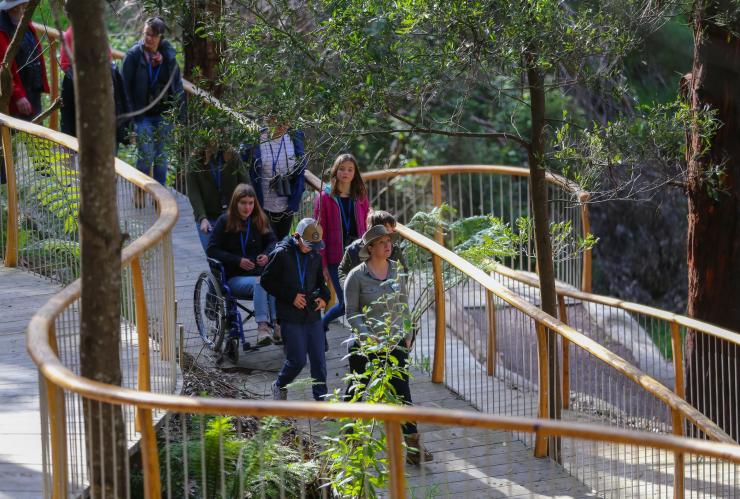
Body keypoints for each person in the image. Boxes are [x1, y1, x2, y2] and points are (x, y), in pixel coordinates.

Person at [343, 225, 432, 465]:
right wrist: (366, 334)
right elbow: (350, 313)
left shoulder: (396, 270)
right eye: (381, 242)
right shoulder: (356, 276)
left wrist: (408, 332)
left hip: (395, 344)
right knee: (356, 391)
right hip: (365, 345)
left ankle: (414, 451)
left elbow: (403, 305)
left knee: (403, 395)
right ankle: (350, 443)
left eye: (388, 241)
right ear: (370, 248)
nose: (387, 245)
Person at [261, 218, 330, 401]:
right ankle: (279, 384)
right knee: (298, 360)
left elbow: (321, 285)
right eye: (307, 244)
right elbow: (266, 281)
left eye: (314, 245)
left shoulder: (315, 255)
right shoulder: (281, 254)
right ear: (296, 236)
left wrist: (324, 298)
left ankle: (321, 400)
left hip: (313, 315)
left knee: (319, 361)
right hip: (290, 316)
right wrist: (291, 296)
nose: (310, 249)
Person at [206, 184, 278, 346]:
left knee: (275, 279)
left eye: (251, 203)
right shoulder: (224, 221)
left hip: (259, 272)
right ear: (235, 203)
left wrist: (266, 255)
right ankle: (262, 327)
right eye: (243, 203)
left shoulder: (259, 219)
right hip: (235, 277)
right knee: (263, 282)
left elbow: (273, 242)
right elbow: (212, 250)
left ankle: (277, 323)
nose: (247, 207)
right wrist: (237, 260)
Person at [122, 16, 185, 186]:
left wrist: (180, 115)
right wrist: (130, 116)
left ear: (160, 37)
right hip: (142, 116)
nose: (148, 38)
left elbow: (177, 85)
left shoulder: (169, 57)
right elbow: (124, 87)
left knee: (161, 158)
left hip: (163, 115)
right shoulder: (133, 55)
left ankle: (160, 195)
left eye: (152, 35)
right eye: (146, 34)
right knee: (146, 155)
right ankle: (141, 190)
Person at [314, 153, 370, 335]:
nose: (345, 172)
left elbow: (368, 219)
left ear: (355, 173)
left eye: (350, 169)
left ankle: (358, 337)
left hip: (359, 254)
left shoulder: (360, 196)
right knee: (346, 302)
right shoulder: (325, 197)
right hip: (335, 258)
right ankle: (323, 324)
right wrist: (322, 263)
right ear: (335, 170)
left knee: (361, 299)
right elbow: (318, 231)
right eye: (342, 168)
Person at [59, 29, 131, 148]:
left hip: (108, 130)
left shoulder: (112, 71)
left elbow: (121, 101)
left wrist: (125, 130)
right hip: (83, 132)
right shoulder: (72, 76)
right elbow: (67, 112)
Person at [241, 120, 307, 239]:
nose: (281, 125)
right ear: (267, 117)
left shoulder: (294, 136)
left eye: (285, 120)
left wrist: (299, 189)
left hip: (288, 206)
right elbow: (241, 162)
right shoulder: (255, 139)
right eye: (276, 119)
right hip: (263, 206)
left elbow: (301, 167)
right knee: (268, 246)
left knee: (281, 245)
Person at [186, 144, 248, 251]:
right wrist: (202, 218)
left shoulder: (233, 155)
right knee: (213, 258)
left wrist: (243, 213)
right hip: (208, 219)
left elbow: (246, 185)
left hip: (232, 216)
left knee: (233, 256)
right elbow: (194, 193)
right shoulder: (195, 160)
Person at [0, 0, 49, 119]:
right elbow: (2, 66)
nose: (21, 11)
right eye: (16, 8)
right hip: (16, 98)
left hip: (32, 89)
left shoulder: (23, 20)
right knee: (17, 133)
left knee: (36, 131)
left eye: (23, 6)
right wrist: (18, 95)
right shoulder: (2, 30)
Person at [338, 210, 406, 287]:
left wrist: (396, 288)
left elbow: (404, 271)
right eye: (387, 228)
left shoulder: (395, 248)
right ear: (374, 229)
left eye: (392, 227)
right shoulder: (353, 249)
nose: (391, 231)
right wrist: (348, 287)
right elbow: (343, 270)